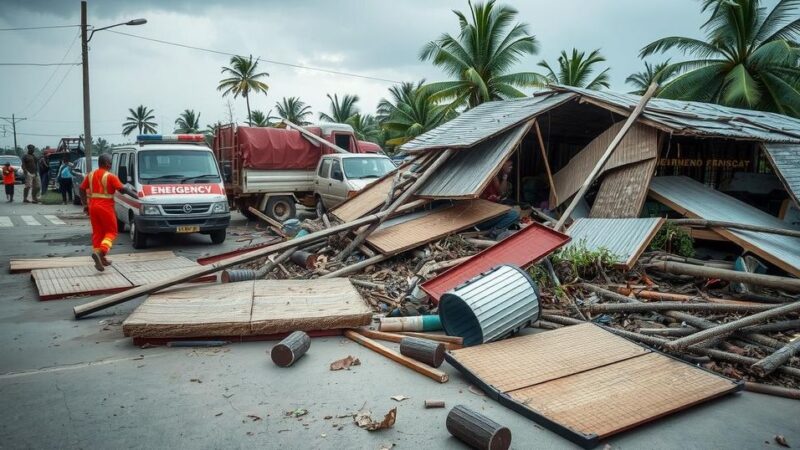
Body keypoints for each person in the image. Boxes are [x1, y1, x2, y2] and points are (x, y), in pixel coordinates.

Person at [79, 154, 138, 271]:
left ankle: (101, 259)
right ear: (106, 163)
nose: (111, 164)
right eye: (110, 162)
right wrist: (137, 196)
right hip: (105, 207)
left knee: (98, 233)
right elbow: (122, 189)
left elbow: (81, 189)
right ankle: (101, 253)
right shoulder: (110, 176)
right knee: (111, 232)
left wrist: (85, 204)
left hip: (93, 207)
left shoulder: (90, 175)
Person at [478, 159, 520, 236]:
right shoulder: (491, 176)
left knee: (514, 212)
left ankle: (494, 230)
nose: (511, 167)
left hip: (488, 213)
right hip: (482, 218)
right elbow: (501, 192)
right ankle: (494, 231)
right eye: (509, 165)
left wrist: (505, 176)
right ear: (502, 165)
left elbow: (501, 192)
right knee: (514, 215)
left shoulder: (495, 176)